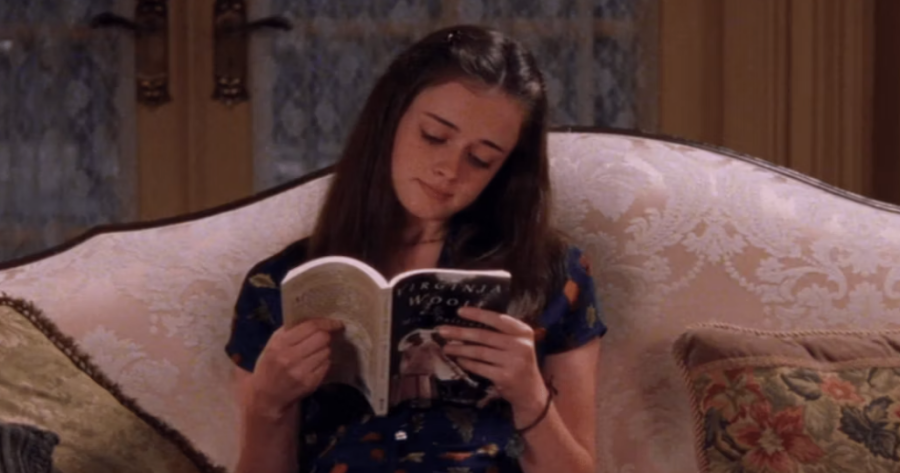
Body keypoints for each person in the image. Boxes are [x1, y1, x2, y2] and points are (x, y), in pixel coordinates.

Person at [225, 24, 607, 473]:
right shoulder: (278, 285)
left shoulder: (553, 275)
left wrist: (530, 398)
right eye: (434, 136)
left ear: (505, 170)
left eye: (481, 159)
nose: (449, 169)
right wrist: (268, 405)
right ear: (391, 119)